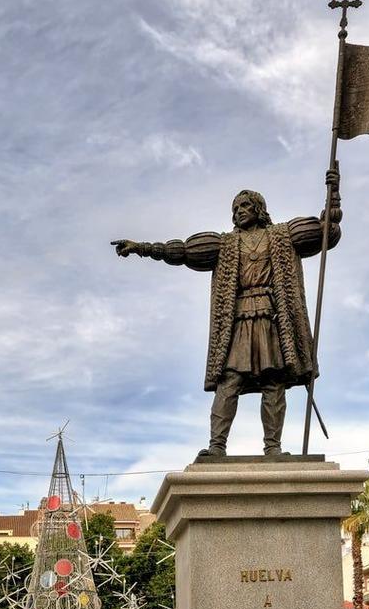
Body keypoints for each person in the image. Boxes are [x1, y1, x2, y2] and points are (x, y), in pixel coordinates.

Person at [112, 173, 342, 456]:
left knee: (273, 382)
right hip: (238, 320)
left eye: (244, 206)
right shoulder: (223, 245)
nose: (239, 212)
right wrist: (143, 248)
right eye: (235, 208)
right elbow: (182, 251)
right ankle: (216, 446)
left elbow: (325, 234)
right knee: (229, 381)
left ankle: (273, 448)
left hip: (273, 319)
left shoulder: (283, 236)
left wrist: (334, 198)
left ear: (258, 208)